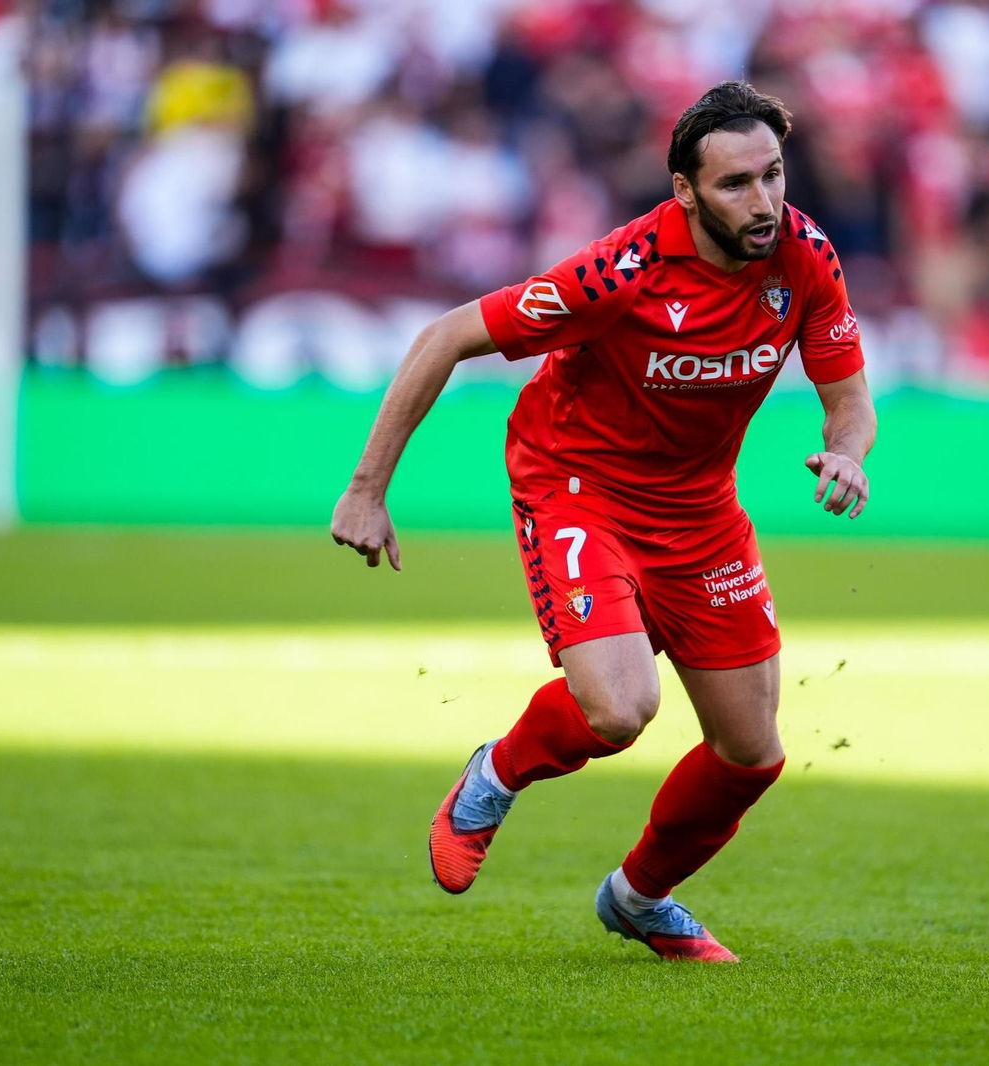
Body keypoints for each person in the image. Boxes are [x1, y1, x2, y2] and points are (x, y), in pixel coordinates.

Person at [329, 82, 876, 963]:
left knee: (752, 755)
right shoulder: (620, 273)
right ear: (685, 192)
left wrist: (847, 452)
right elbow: (445, 336)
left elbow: (849, 403)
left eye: (773, 175)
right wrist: (366, 489)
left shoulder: (806, 257)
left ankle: (639, 897)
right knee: (621, 710)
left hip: (701, 509)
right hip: (578, 485)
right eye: (735, 184)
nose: (764, 201)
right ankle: (493, 777)